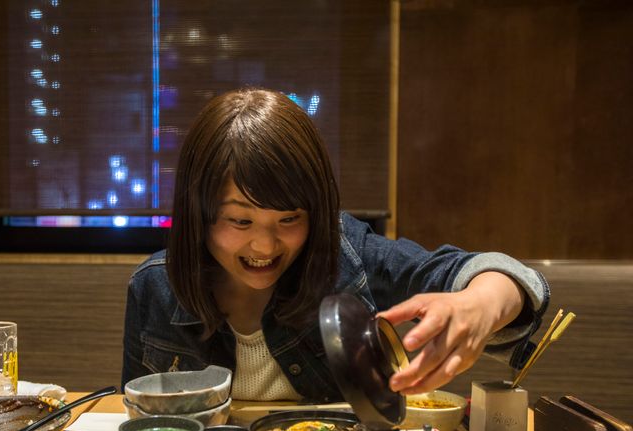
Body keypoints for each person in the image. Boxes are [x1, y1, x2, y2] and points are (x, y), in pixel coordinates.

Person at [122, 88, 549, 403]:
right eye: (240, 220)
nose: (265, 245)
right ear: (199, 214)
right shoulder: (156, 288)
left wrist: (480, 304)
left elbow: (508, 279)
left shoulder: (347, 258)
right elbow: (137, 415)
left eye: (290, 219)